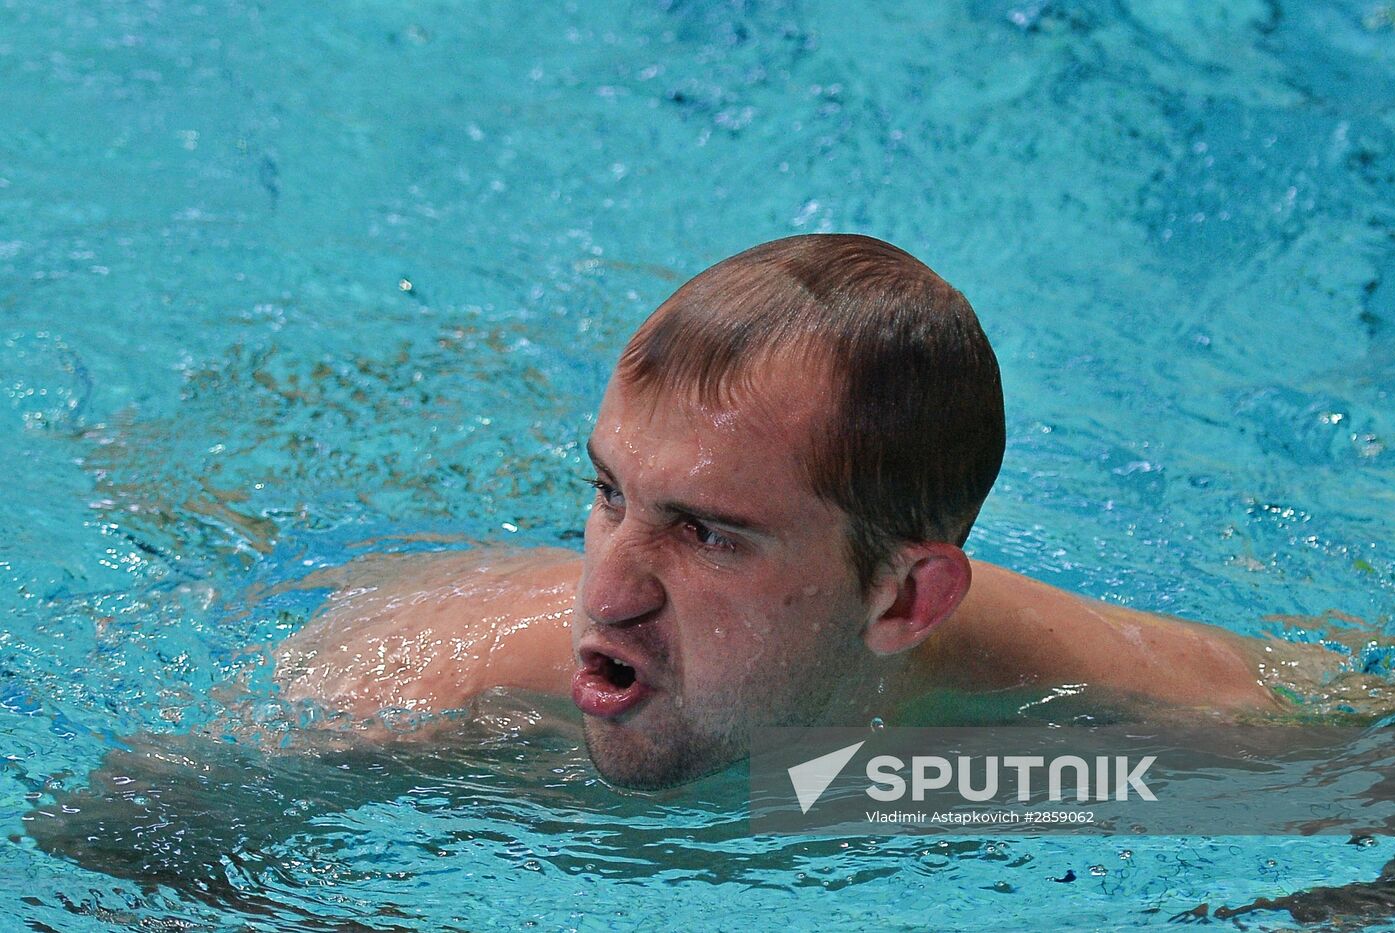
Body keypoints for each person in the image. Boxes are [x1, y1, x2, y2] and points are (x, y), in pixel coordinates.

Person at [275, 234, 1284, 790]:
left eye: (707, 533)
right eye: (606, 494)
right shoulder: (411, 699)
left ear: (905, 603)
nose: (606, 593)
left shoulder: (1143, 709)